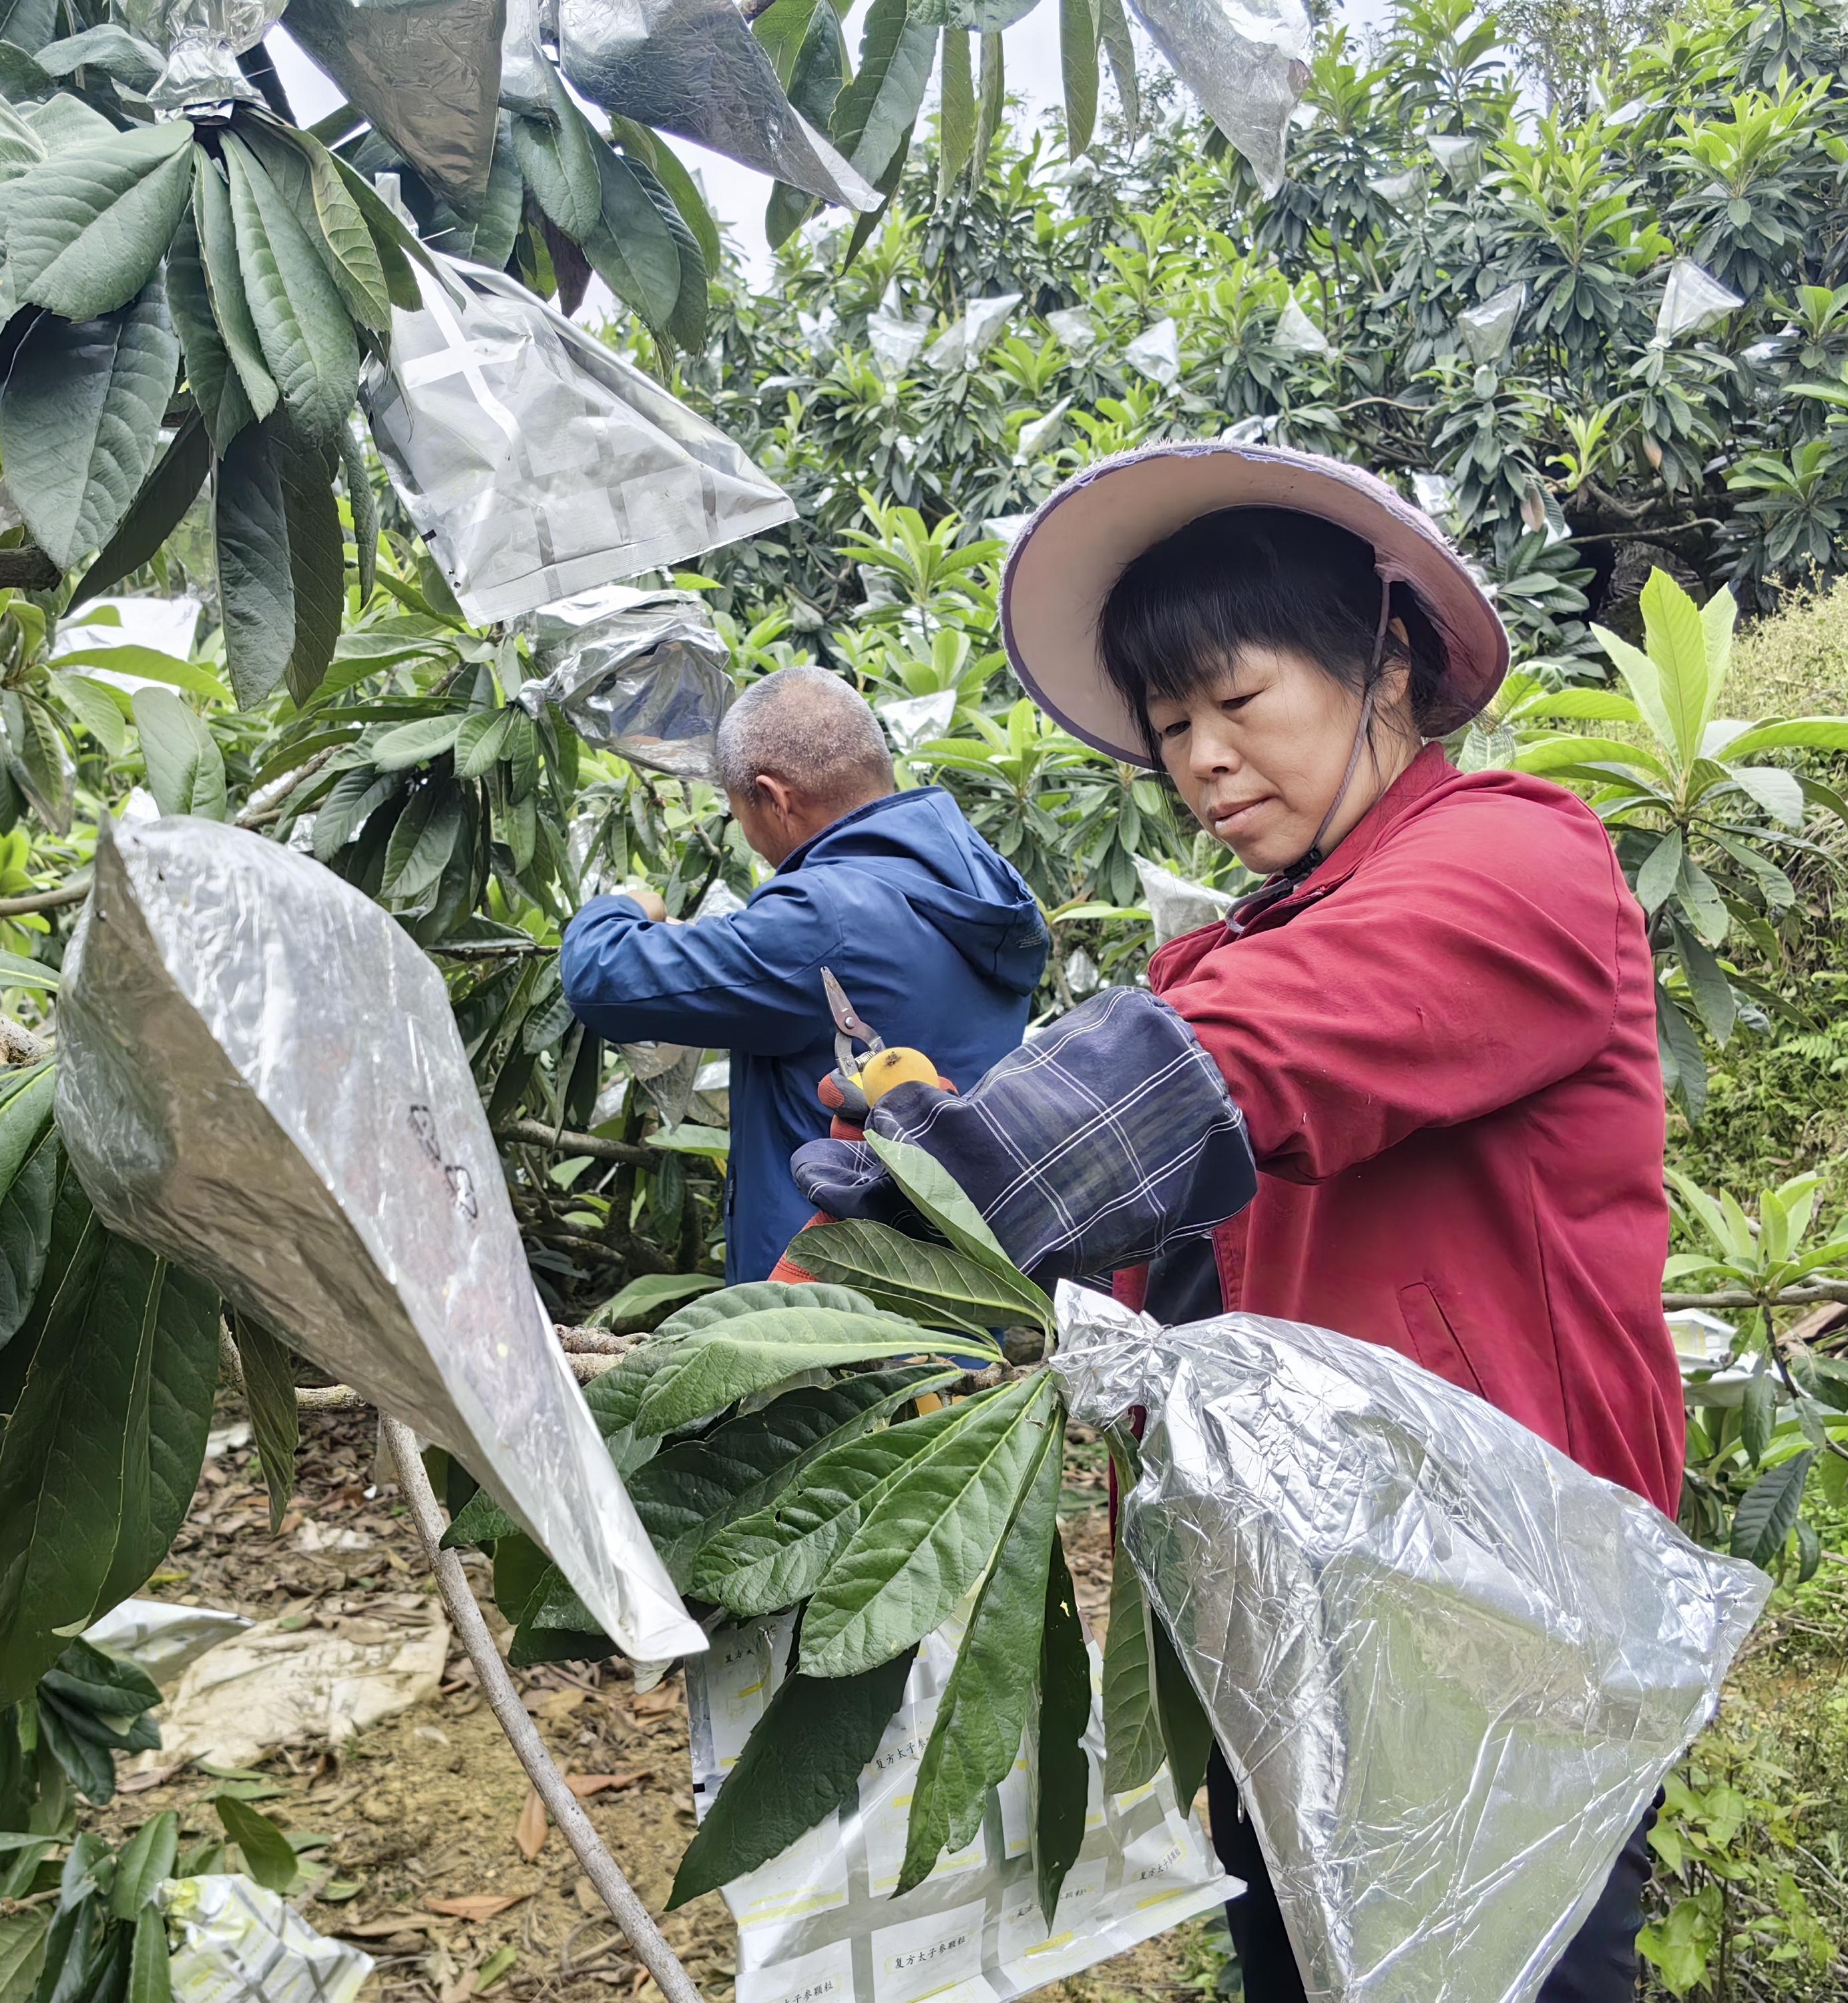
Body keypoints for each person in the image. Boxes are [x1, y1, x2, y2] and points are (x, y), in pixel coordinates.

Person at [792, 443, 1684, 2003]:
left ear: (1383, 657)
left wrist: (959, 1169)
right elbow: (1149, 1236)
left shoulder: (1513, 860)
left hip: (1500, 1611)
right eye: (1168, 725)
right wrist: (926, 1195)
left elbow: (1227, 1069)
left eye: (1235, 698)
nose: (1200, 758)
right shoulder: (1227, 950)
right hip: (1286, 1601)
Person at [559, 665, 1049, 1285]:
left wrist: (633, 906)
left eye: (741, 812)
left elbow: (600, 975)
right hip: (960, 1308)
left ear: (774, 797)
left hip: (825, 1332)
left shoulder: (824, 920)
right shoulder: (981, 882)